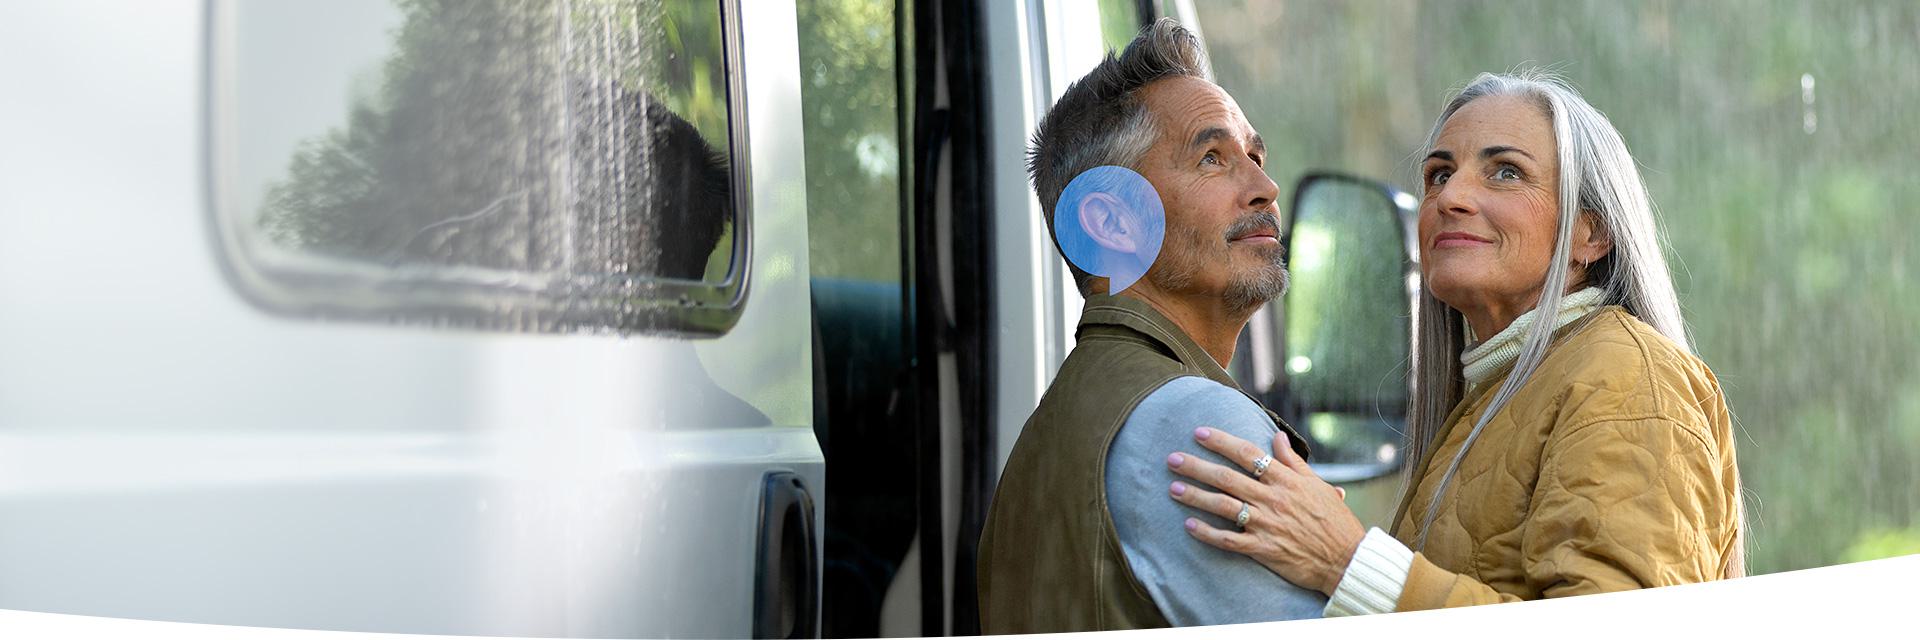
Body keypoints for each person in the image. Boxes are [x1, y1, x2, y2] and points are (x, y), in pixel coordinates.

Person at [1165, 70, 1745, 615]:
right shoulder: (1506, 391)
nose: (1450, 198)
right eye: (1440, 174)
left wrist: (1349, 561)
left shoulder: (1627, 381)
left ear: (1589, 233)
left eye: (1506, 172)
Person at [975, 18, 1327, 633]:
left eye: (1256, 156)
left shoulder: (1053, 430)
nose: (1265, 188)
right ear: (1111, 224)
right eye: (1212, 158)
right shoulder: (1196, 423)